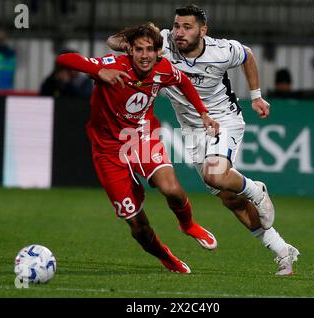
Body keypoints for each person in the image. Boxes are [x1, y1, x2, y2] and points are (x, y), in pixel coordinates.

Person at [108, 5, 299, 275]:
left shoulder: (221, 50)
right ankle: (282, 251)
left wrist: (256, 95)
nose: (179, 32)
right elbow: (113, 43)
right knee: (231, 200)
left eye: (187, 27)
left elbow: (248, 55)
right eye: (176, 26)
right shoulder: (161, 43)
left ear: (202, 30)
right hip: (192, 131)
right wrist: (137, 36)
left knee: (215, 175)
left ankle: (257, 190)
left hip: (223, 120)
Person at [56, 23, 220, 274]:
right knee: (138, 226)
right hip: (108, 150)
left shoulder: (163, 69)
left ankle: (187, 225)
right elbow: (64, 58)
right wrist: (99, 71)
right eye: (139, 50)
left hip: (140, 138)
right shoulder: (113, 63)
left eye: (150, 50)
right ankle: (166, 256)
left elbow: (184, 82)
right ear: (130, 50)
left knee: (172, 190)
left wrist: (204, 113)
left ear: (157, 52)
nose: (145, 55)